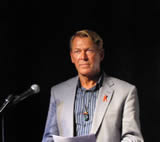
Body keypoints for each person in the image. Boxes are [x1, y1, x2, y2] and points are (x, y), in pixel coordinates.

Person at [42, 29, 144, 142]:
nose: (83, 57)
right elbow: (49, 138)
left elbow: (133, 138)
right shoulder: (58, 92)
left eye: (89, 50)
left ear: (101, 54)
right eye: (77, 51)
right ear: (72, 57)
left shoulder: (125, 92)